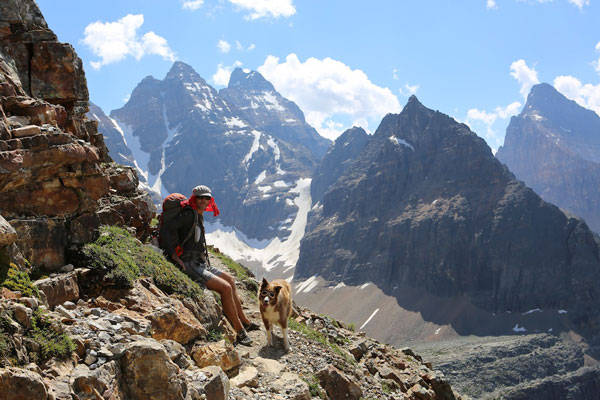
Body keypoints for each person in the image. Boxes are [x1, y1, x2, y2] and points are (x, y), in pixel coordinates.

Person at [161, 185, 259, 346]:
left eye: (207, 198)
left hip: (200, 263)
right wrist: (173, 255)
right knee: (225, 288)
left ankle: (245, 321)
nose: (203, 200)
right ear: (194, 198)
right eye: (200, 197)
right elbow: (166, 228)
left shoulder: (197, 215)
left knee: (230, 280)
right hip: (190, 263)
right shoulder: (188, 214)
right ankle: (240, 331)